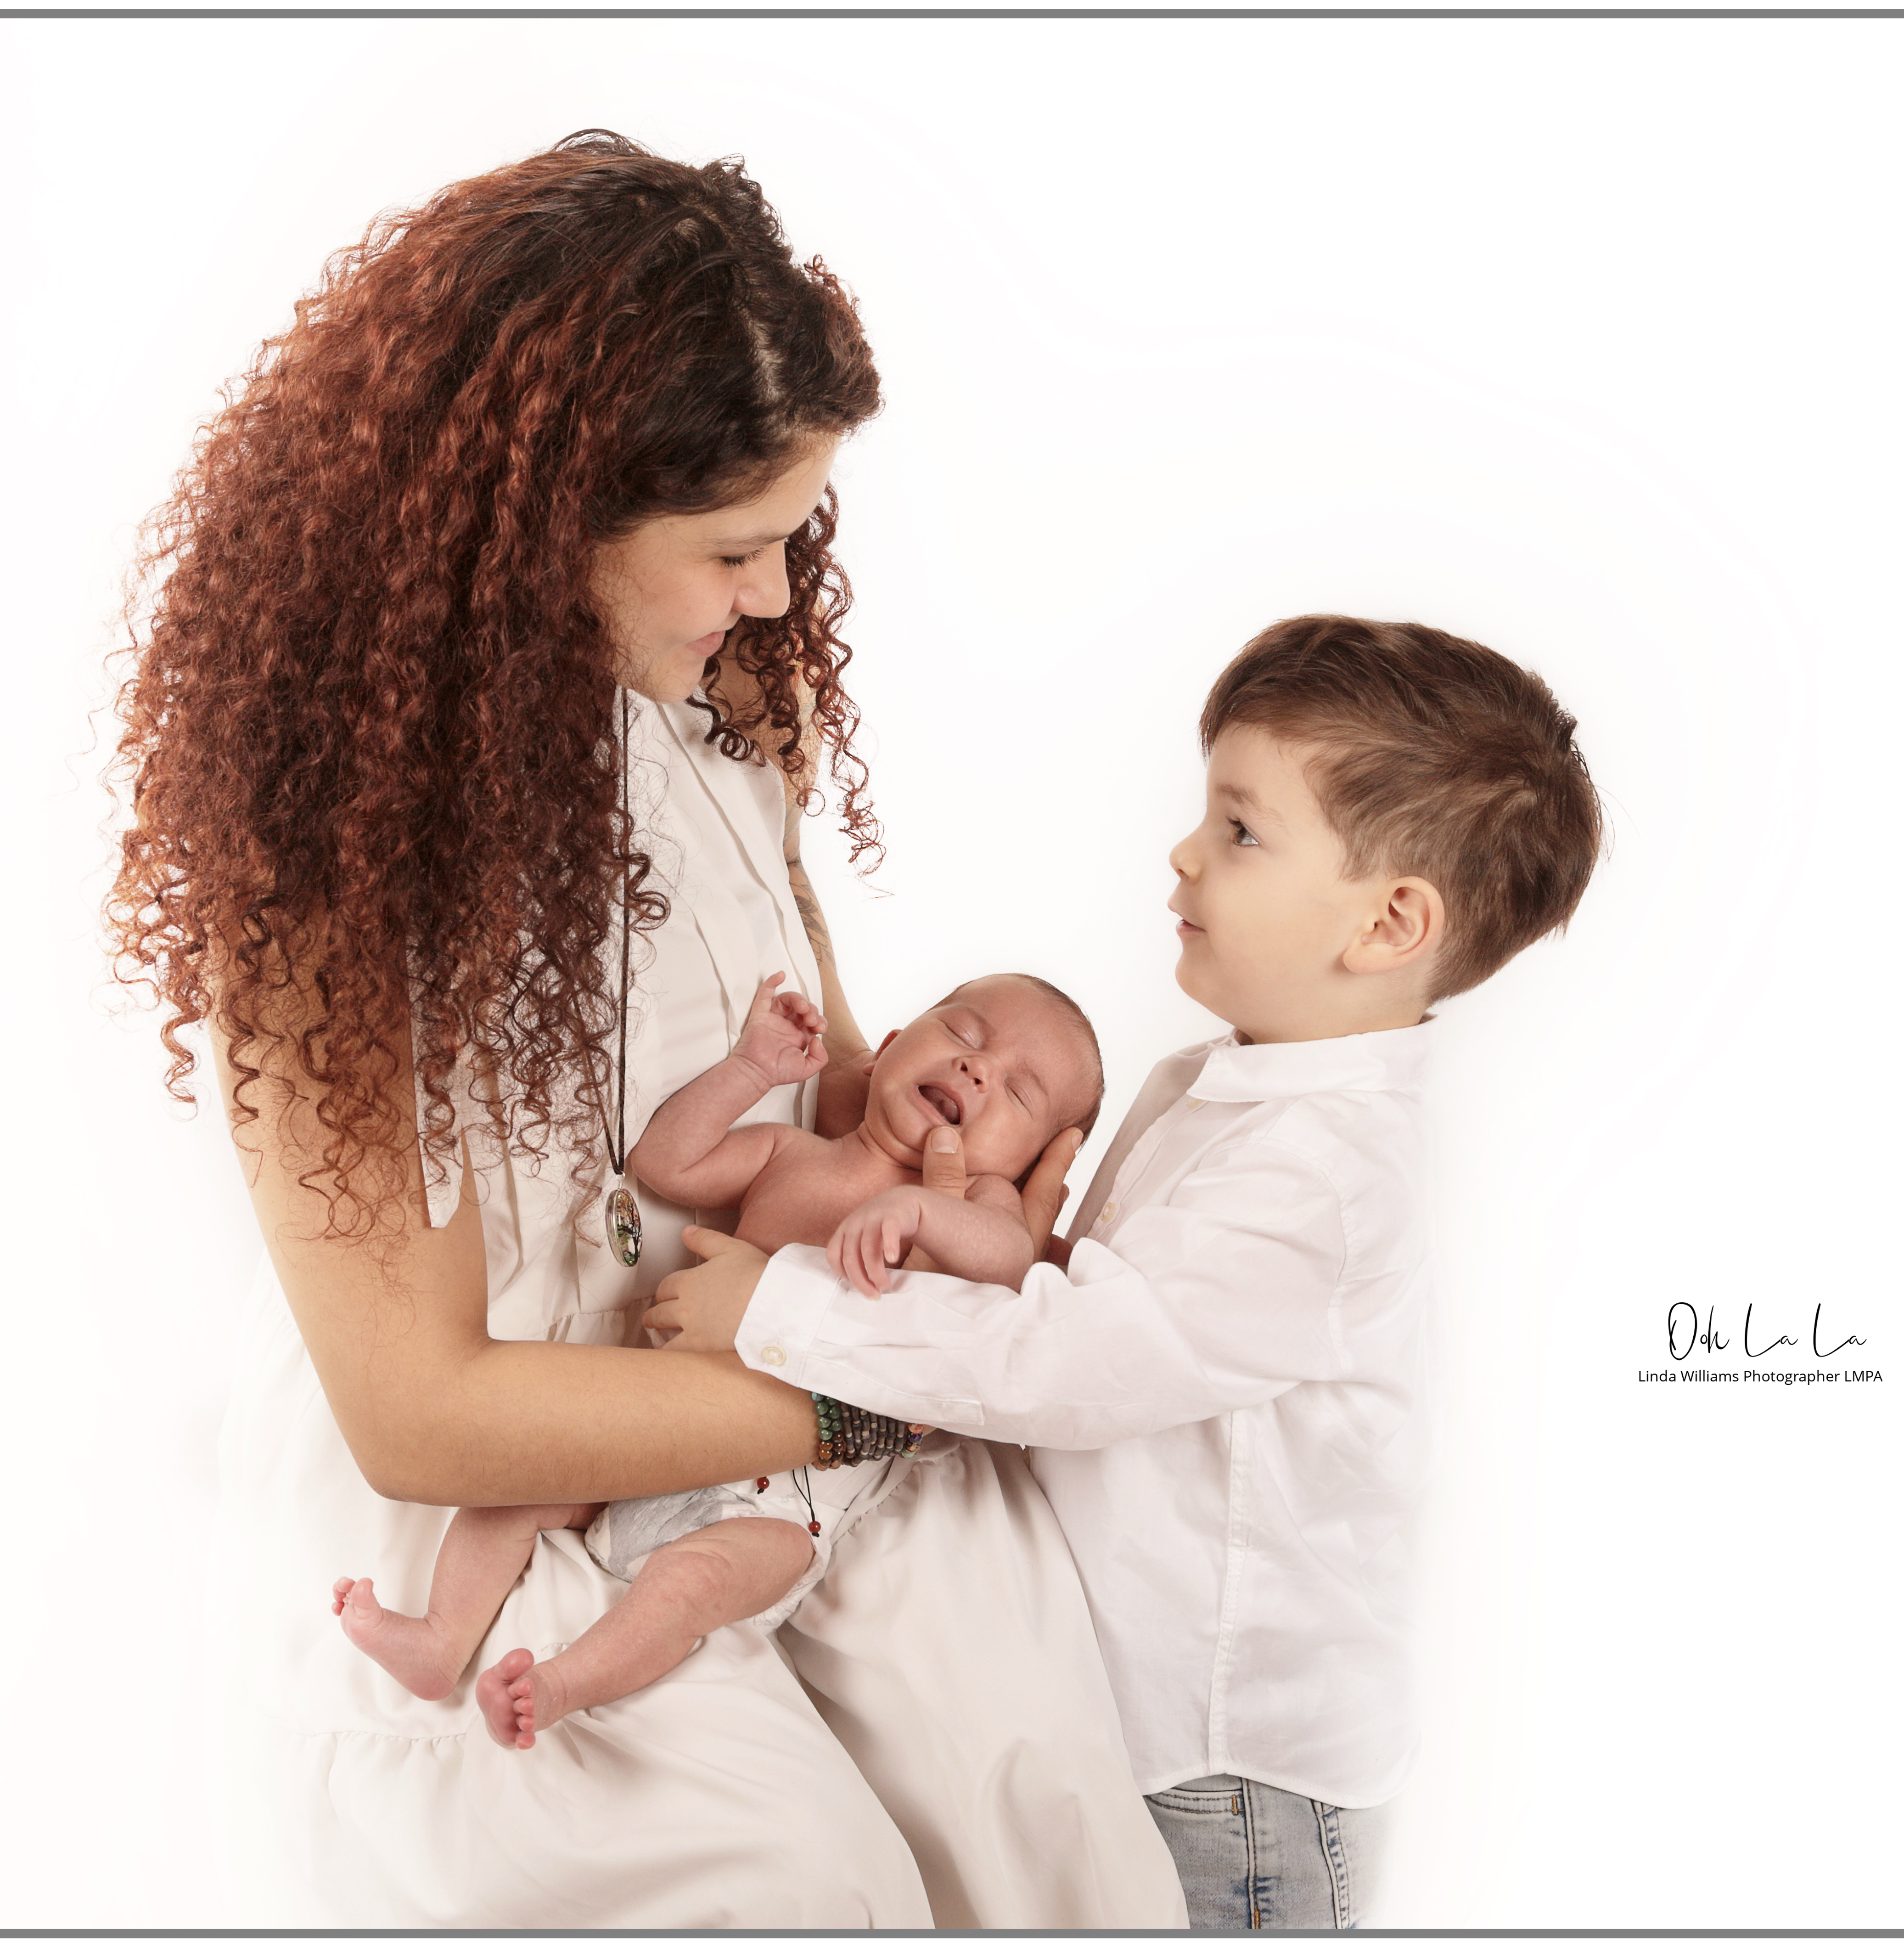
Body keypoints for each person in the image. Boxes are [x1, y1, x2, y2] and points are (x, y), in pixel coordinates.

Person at [104, 131, 1185, 1927]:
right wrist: (840, 1398)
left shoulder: (716, 716)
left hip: (781, 1398)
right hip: (527, 1496)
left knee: (1044, 1789)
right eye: (733, 548)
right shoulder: (334, 871)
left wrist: (976, 1167)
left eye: (792, 540)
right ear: (532, 530)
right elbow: (420, 1412)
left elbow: (837, 1076)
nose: (773, 597)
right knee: (796, 1882)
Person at [648, 614, 1606, 1929]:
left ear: (1389, 922)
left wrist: (776, 1305)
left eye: (1241, 830)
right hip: (1152, 1736)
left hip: (1230, 1778)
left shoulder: (1320, 1174)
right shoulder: (1239, 1081)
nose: (1184, 852)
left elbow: (1072, 1361)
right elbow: (1103, 1316)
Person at [330, 970, 1105, 1749]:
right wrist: (751, 1069)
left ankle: (560, 1684)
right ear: (890, 1051)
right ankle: (439, 1639)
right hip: (664, 1438)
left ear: (1028, 1162)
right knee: (513, 1489)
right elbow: (668, 1163)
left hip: (780, 1508)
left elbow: (1006, 1263)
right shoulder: (790, 1153)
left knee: (688, 1587)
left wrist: (923, 1210)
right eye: (965, 1036)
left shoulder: (980, 1208)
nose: (978, 1069)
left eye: (1018, 1092)